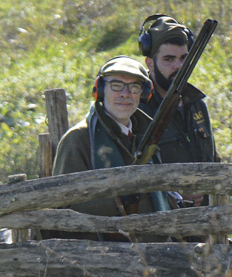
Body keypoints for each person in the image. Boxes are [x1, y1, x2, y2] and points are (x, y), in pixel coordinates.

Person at [53, 55, 173, 218]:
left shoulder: (146, 137)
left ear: (144, 94)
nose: (125, 94)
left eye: (134, 87)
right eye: (116, 85)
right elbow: (63, 208)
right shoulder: (78, 139)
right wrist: (121, 201)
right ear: (100, 89)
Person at [138, 14, 218, 168]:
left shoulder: (196, 104)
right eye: (168, 59)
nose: (178, 66)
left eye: (183, 58)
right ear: (150, 64)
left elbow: (213, 159)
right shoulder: (138, 109)